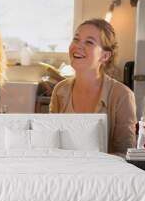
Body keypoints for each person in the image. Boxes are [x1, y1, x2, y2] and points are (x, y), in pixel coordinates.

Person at [50, 19, 136, 153]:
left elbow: (125, 153)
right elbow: (51, 143)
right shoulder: (60, 91)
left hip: (104, 172)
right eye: (76, 39)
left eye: (89, 42)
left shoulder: (122, 95)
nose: (78, 46)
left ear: (105, 56)